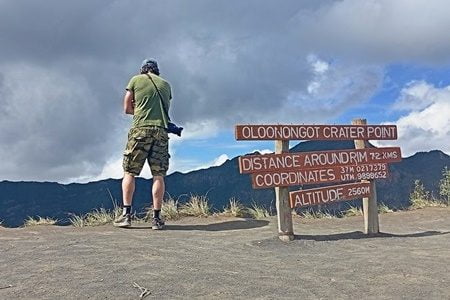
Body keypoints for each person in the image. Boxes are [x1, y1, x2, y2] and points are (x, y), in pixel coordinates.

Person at [113, 59, 172, 230]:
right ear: (157, 71)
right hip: (161, 131)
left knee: (130, 172)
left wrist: (138, 109)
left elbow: (127, 108)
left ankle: (126, 215)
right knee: (159, 174)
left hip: (140, 129)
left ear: (143, 70)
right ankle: (156, 218)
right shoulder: (166, 85)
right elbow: (165, 109)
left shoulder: (135, 80)